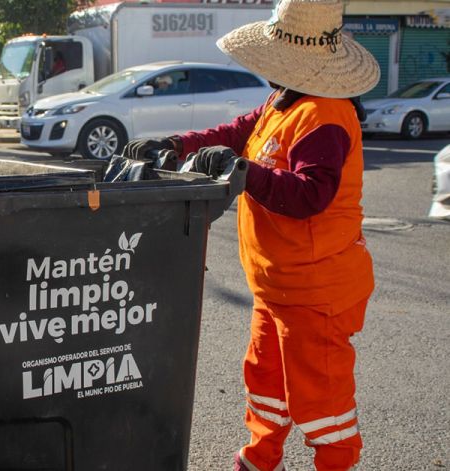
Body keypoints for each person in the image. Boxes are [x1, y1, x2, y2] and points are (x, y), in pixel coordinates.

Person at [125, 1, 377, 470]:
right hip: (278, 285)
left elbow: (310, 195)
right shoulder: (285, 101)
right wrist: (179, 144)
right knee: (266, 385)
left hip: (317, 293)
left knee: (323, 404)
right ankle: (259, 459)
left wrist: (247, 174)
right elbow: (237, 133)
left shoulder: (324, 116)